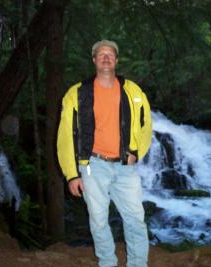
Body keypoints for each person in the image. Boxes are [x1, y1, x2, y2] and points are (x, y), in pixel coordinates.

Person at [57, 40, 152, 267]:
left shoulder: (133, 91)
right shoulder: (77, 93)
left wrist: (135, 152)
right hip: (92, 165)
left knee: (136, 220)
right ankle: (107, 263)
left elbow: (145, 125)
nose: (106, 58)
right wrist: (71, 174)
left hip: (124, 166)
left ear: (116, 60)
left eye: (110, 54)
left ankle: (138, 264)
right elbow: (65, 137)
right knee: (99, 221)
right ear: (94, 60)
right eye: (101, 55)